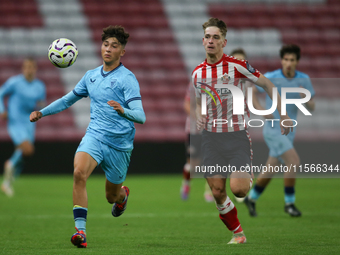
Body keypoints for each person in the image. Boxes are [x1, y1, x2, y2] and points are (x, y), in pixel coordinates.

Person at [30, 25, 145, 248]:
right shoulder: (90, 76)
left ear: (122, 51)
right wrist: (42, 112)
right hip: (95, 136)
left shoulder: (127, 79)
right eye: (105, 44)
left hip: (120, 145)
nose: (108, 49)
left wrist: (124, 111)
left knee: (111, 197)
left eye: (114, 46)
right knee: (79, 173)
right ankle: (80, 232)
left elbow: (141, 116)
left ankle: (122, 196)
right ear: (100, 47)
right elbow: (67, 100)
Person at [193, 18, 293, 244]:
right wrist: (200, 114)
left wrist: (283, 114)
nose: (211, 41)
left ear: (223, 42)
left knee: (238, 191)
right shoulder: (197, 73)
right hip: (210, 138)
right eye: (207, 37)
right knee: (218, 192)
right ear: (203, 41)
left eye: (215, 37)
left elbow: (267, 84)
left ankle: (246, 175)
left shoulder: (237, 66)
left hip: (236, 135)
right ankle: (238, 234)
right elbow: (201, 100)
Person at [244, 44, 315, 217]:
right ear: (282, 60)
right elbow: (251, 90)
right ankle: (289, 203)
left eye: (292, 60)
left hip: (289, 131)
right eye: (285, 59)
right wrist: (261, 110)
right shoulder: (271, 78)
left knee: (270, 168)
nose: (288, 63)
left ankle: (251, 198)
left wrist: (304, 98)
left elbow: (312, 106)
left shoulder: (303, 80)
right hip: (273, 130)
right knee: (293, 161)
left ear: (297, 61)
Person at [0, 58, 46, 197]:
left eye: (31, 67)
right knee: (26, 148)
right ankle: (8, 172)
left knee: (27, 152)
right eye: (26, 67)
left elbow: (40, 104)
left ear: (35, 69)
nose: (29, 69)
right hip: (15, 121)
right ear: (23, 68)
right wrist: (2, 109)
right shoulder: (15, 82)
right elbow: (1, 94)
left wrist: (40, 107)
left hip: (29, 122)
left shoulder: (39, 86)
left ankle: (12, 173)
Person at [180, 82, 213, 202]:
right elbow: (186, 104)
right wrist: (197, 117)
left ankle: (209, 191)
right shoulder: (193, 85)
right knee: (192, 163)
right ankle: (186, 184)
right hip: (193, 130)